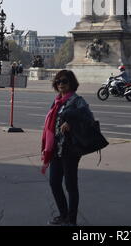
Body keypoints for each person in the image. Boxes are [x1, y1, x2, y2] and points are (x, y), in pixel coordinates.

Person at [41, 69, 94, 226]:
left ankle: (71, 220)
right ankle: (63, 214)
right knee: (54, 183)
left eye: (64, 81)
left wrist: (71, 123)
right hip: (56, 149)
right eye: (58, 82)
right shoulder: (57, 101)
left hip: (70, 149)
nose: (61, 84)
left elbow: (89, 119)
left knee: (70, 185)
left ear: (71, 83)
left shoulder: (77, 100)